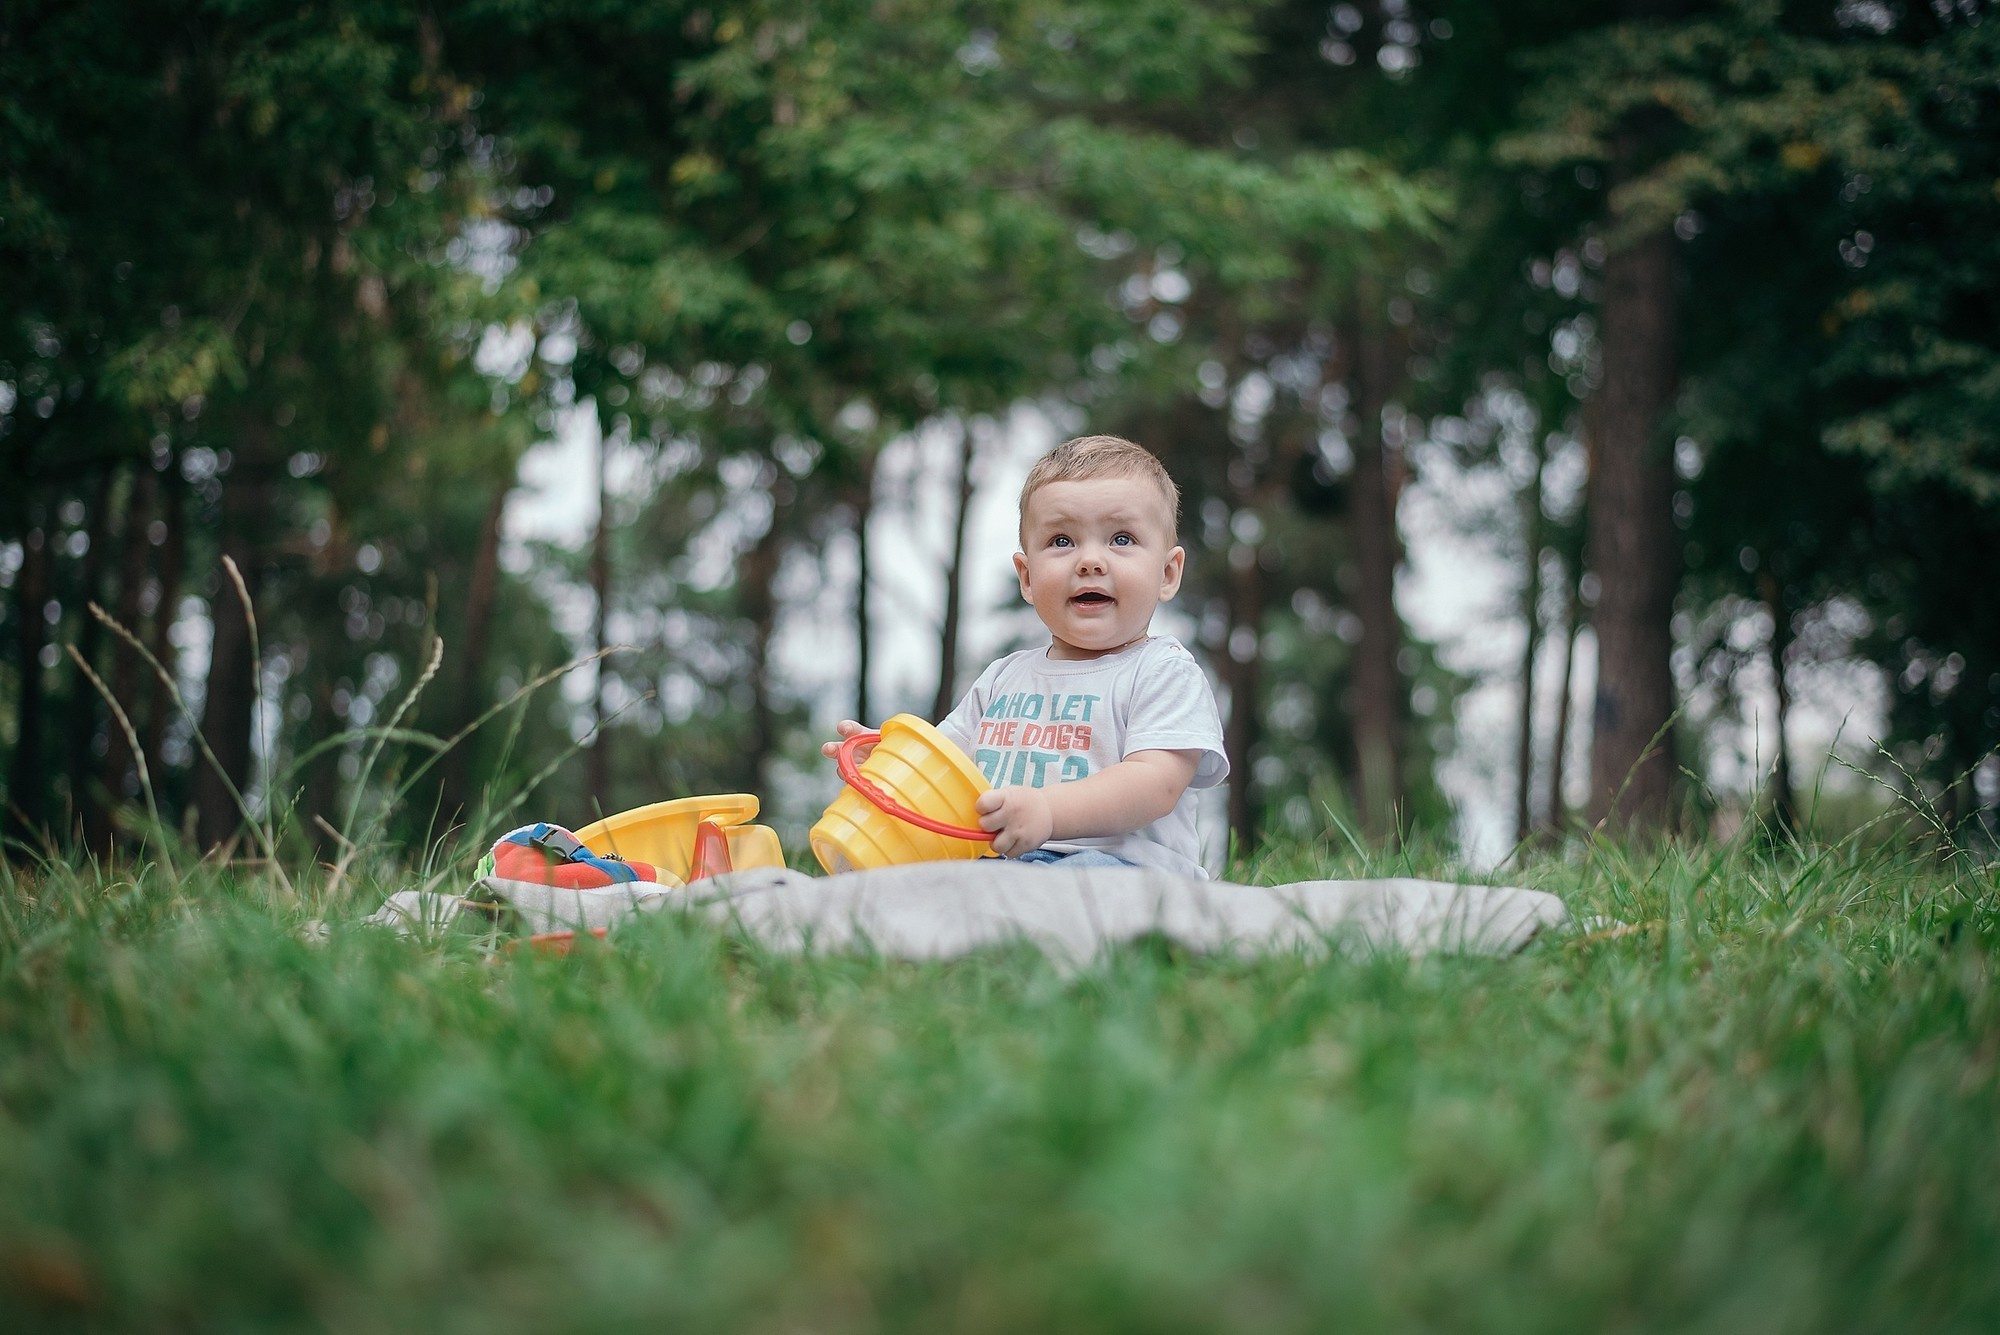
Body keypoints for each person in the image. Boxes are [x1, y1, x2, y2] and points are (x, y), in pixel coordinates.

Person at [823, 434, 1227, 877]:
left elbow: (1156, 784)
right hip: (1007, 866)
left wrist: (1047, 811)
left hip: (1124, 869)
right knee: (931, 876)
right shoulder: (1003, 678)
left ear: (1167, 573)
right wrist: (893, 763)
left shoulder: (1163, 671)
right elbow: (947, 766)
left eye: (1122, 538)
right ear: (1028, 577)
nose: (1090, 561)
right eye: (1061, 541)